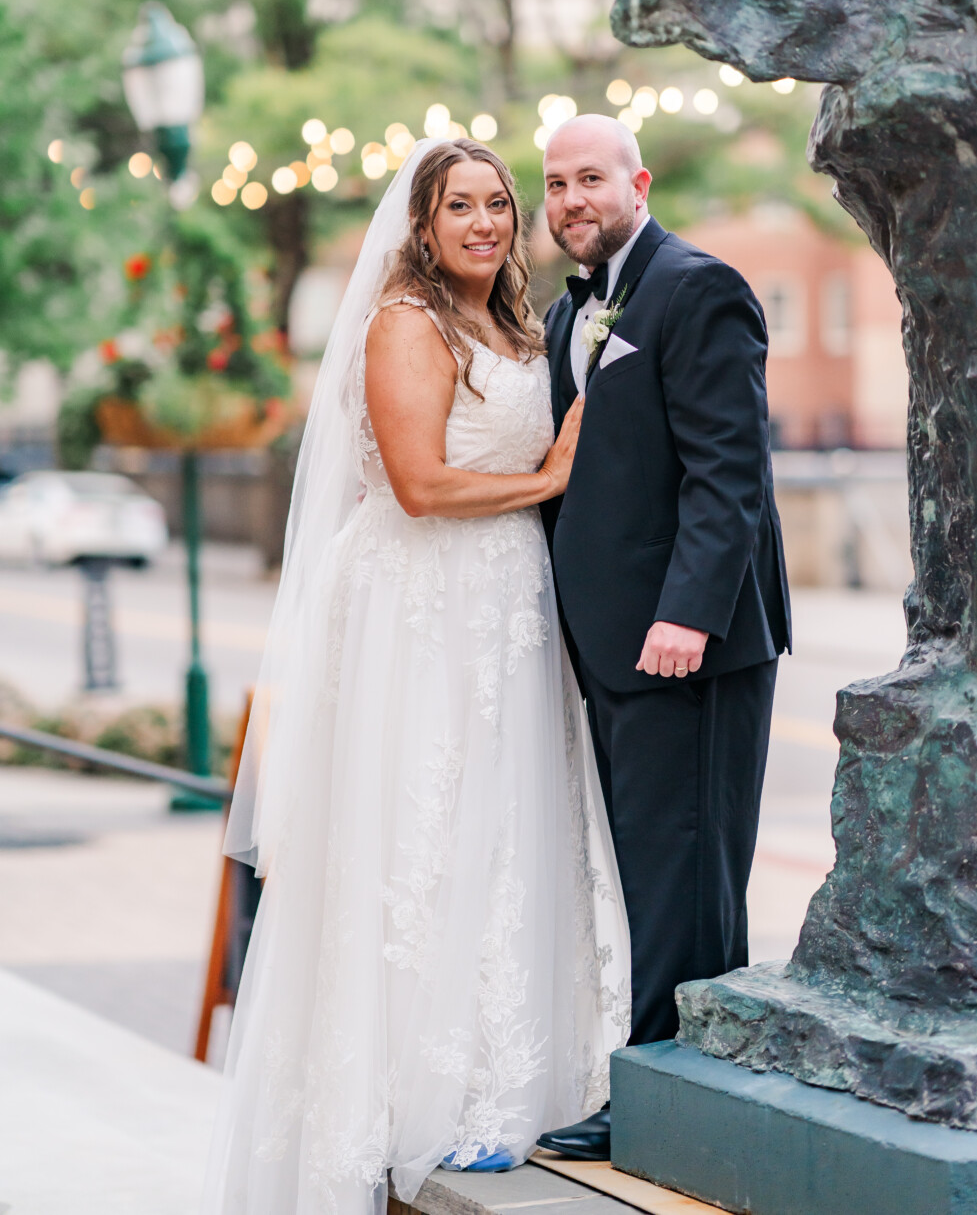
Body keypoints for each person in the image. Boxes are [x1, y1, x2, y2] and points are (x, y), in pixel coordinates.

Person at [202, 138, 629, 1215]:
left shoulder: (517, 322)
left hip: (508, 607)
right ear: (423, 226)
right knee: (420, 836)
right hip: (420, 609)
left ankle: (504, 1077)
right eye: (459, 207)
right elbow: (421, 485)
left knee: (506, 829)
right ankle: (403, 1091)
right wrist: (551, 476)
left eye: (497, 203)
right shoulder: (408, 324)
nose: (484, 223)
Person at [536, 114, 791, 1161]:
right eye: (554, 185)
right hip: (611, 649)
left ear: (636, 180)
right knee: (658, 871)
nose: (569, 202)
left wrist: (683, 612)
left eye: (589, 178)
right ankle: (687, 1084)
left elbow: (729, 469)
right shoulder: (572, 310)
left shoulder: (697, 287)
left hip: (684, 644)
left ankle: (661, 1094)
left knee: (687, 872)